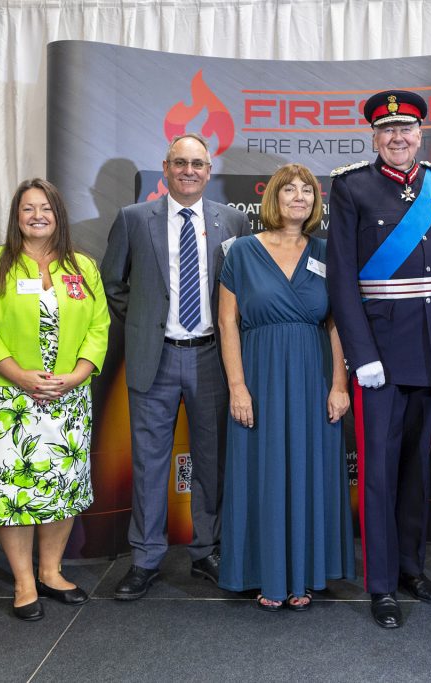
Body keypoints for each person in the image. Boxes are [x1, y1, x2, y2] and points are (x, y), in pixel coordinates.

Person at [326, 90, 431, 629]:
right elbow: (342, 278)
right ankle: (382, 583)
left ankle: (413, 566)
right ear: (374, 137)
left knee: (416, 469)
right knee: (380, 474)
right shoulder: (351, 187)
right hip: (380, 358)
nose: (397, 138)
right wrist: (360, 356)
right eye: (387, 130)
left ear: (420, 134)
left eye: (406, 129)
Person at [101, 133, 249, 600]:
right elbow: (112, 282)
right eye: (180, 163)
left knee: (213, 460)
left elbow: (242, 290)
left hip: (211, 356)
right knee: (149, 463)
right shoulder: (133, 219)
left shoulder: (234, 222)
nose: (189, 171)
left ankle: (207, 550)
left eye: (198, 164)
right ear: (165, 168)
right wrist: (146, 323)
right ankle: (145, 558)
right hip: (156, 356)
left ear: (209, 171)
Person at [217, 163, 355, 611]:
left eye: (308, 192)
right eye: (289, 190)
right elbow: (227, 323)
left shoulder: (328, 251)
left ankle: (306, 575)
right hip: (258, 375)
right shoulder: (240, 252)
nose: (299, 198)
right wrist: (237, 387)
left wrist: (339, 385)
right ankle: (266, 573)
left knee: (309, 470)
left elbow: (337, 324)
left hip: (314, 375)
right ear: (273, 198)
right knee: (263, 471)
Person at [0, 178, 109, 620]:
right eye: (28, 209)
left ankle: (51, 571)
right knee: (16, 490)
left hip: (69, 397)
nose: (37, 216)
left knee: (61, 487)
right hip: (10, 398)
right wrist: (20, 375)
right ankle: (23, 581)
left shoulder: (83, 267)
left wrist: (75, 376)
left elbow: (99, 327)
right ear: (16, 216)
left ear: (58, 215)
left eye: (45, 209)